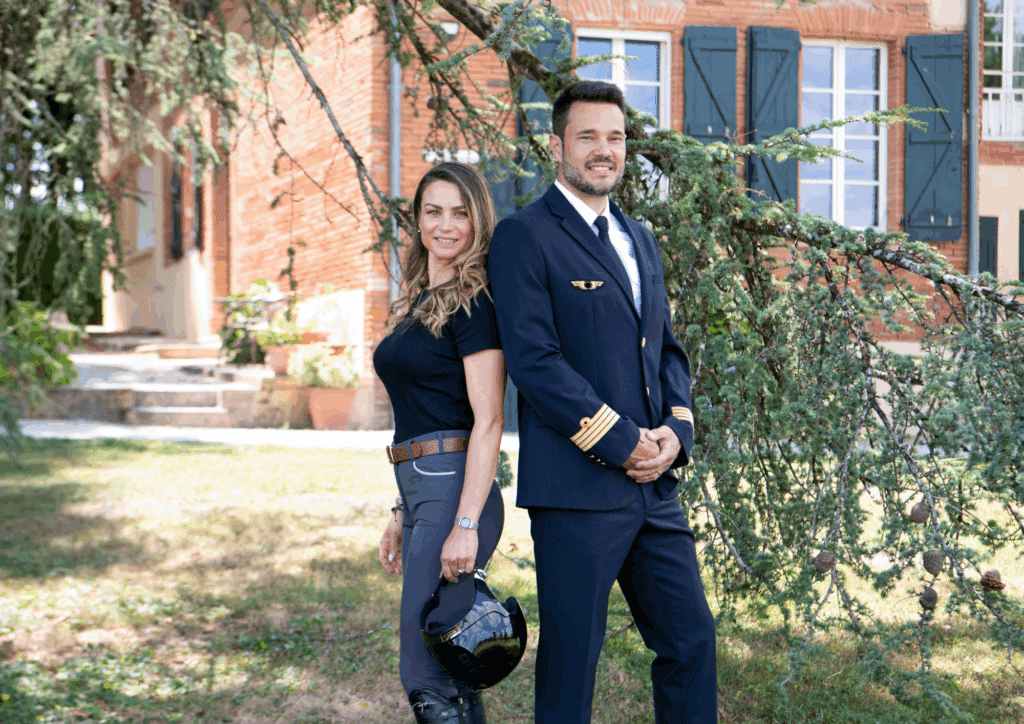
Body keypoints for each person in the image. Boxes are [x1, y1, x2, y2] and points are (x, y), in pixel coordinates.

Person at [487, 80, 717, 724]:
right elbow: (535, 362)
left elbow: (666, 348)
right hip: (577, 490)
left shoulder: (638, 237)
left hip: (655, 486)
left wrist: (676, 431)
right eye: (588, 136)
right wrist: (624, 444)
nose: (603, 150)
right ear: (557, 145)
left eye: (614, 138)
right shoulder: (524, 235)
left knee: (691, 640)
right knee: (572, 664)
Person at [374, 162, 506, 724]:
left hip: (457, 491)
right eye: (434, 211)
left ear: (478, 222)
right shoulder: (421, 301)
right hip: (424, 489)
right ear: (418, 220)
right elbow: (418, 414)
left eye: (461, 213)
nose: (446, 225)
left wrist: (466, 523)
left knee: (423, 671)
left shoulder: (473, 304)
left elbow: (491, 419)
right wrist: (401, 510)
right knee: (450, 658)